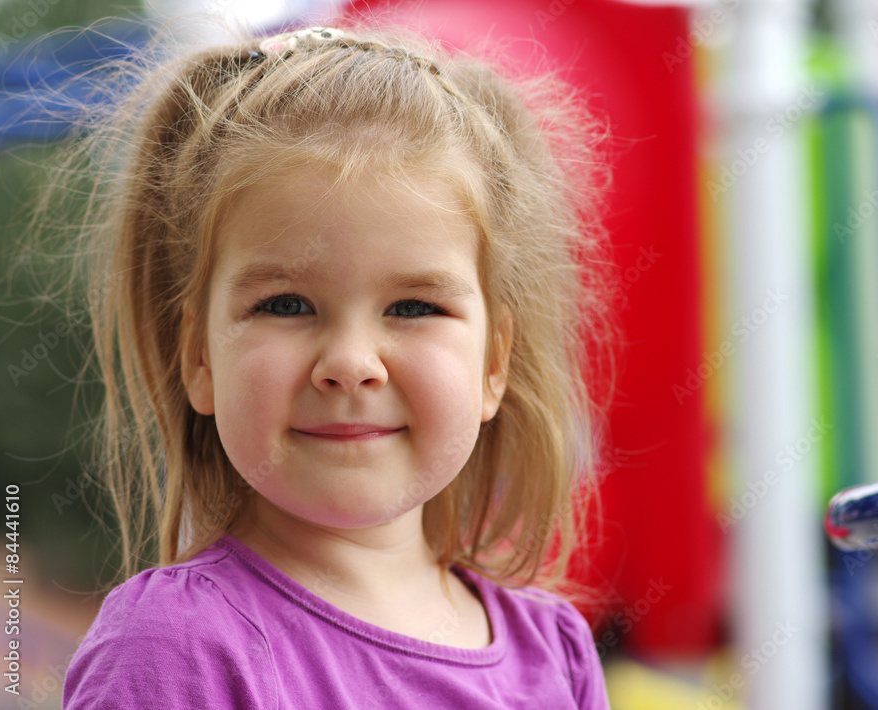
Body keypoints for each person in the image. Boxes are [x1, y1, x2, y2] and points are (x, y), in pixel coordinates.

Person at [60, 21, 616, 709]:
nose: (351, 364)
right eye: (287, 303)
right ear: (199, 356)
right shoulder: (174, 650)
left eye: (413, 307)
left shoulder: (557, 655)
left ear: (493, 364)